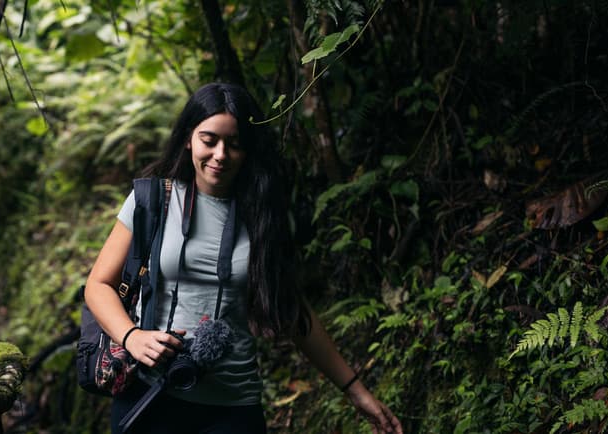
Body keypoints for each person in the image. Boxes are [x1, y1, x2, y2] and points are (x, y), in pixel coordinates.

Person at [84, 82, 403, 434]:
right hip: (147, 395)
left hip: (232, 406)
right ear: (189, 137)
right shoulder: (152, 200)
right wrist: (132, 337)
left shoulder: (261, 215)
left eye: (234, 144)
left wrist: (356, 392)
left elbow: (291, 311)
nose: (220, 154)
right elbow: (99, 285)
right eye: (209, 140)